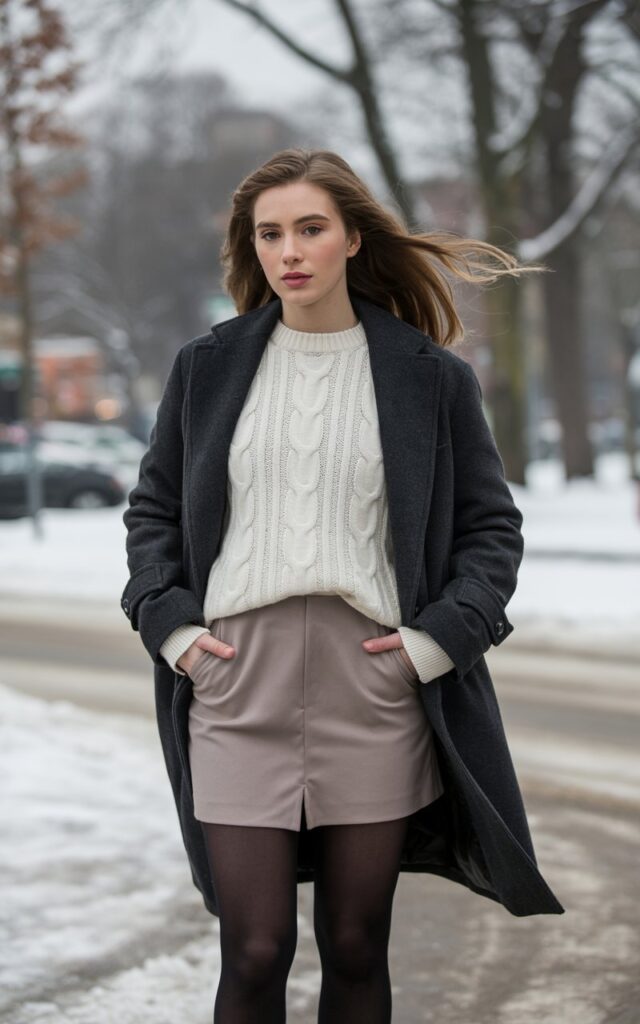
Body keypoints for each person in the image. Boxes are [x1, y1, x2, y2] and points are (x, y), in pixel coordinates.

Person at [121, 147, 563, 1023]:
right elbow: (153, 515)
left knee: (358, 943)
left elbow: (491, 530)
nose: (291, 250)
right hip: (235, 677)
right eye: (271, 233)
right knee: (253, 949)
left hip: (374, 682)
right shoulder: (206, 367)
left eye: (311, 229)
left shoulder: (429, 377)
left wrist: (433, 644)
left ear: (353, 239)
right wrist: (173, 631)